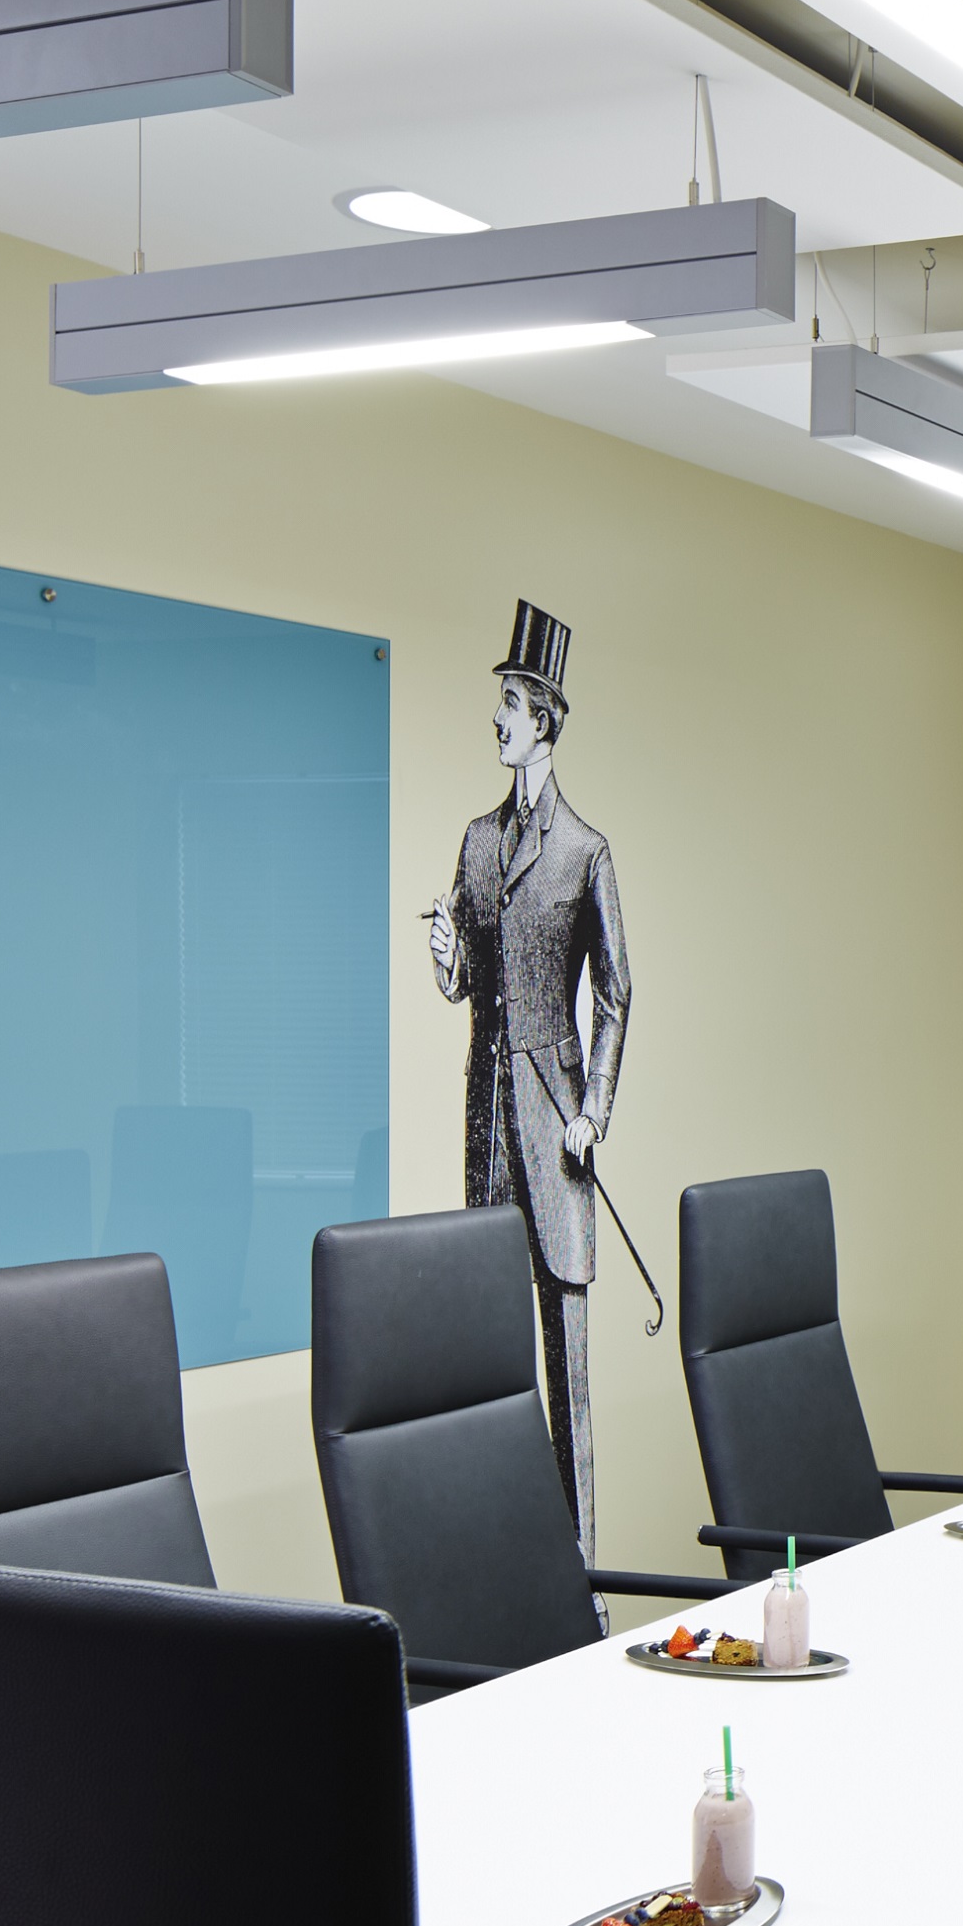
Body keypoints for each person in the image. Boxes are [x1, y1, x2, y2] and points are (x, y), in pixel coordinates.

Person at [427, 602, 630, 1558]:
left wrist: (593, 1111)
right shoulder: (476, 841)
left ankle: (582, 1586)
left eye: (510, 704)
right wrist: (448, 960)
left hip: (557, 1145)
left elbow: (616, 994)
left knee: (568, 1391)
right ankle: (504, 1575)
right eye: (500, 702)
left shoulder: (586, 850)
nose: (498, 719)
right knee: (488, 1380)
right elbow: (475, 978)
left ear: (543, 721)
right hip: (488, 1145)